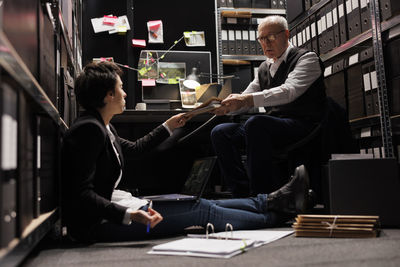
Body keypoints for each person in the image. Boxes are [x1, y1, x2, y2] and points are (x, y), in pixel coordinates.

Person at [61, 61, 311, 243]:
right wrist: (127, 214)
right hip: (99, 225)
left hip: (114, 209)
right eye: (121, 88)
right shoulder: (88, 131)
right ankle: (276, 215)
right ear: (108, 95)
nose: (125, 93)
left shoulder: (101, 126)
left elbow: (135, 149)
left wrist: (168, 126)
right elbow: (81, 194)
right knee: (199, 211)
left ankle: (270, 201)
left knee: (197, 202)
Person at [211, 15, 326, 197]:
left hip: (302, 124)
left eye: (271, 37)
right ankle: (242, 194)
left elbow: (289, 91)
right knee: (221, 132)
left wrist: (246, 99)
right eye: (262, 39)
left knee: (256, 124)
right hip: (275, 125)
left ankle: (263, 197)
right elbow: (247, 97)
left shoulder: (307, 59)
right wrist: (229, 107)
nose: (266, 43)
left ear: (286, 35)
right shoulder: (264, 67)